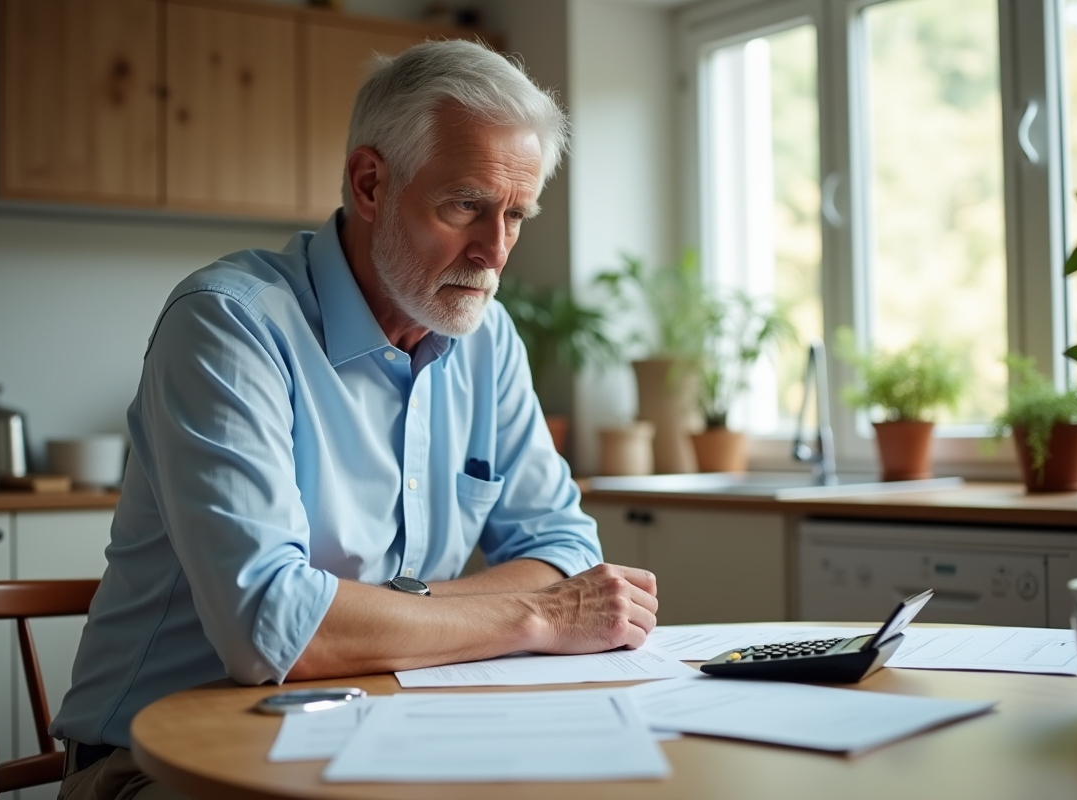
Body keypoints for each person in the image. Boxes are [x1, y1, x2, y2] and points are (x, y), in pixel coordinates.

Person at [50, 38, 658, 799]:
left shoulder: (486, 337)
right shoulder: (230, 325)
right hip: (156, 764)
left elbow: (565, 548)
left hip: (384, 731)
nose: (495, 251)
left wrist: (387, 611)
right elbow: (274, 631)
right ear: (371, 183)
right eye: (466, 204)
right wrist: (536, 618)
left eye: (516, 215)